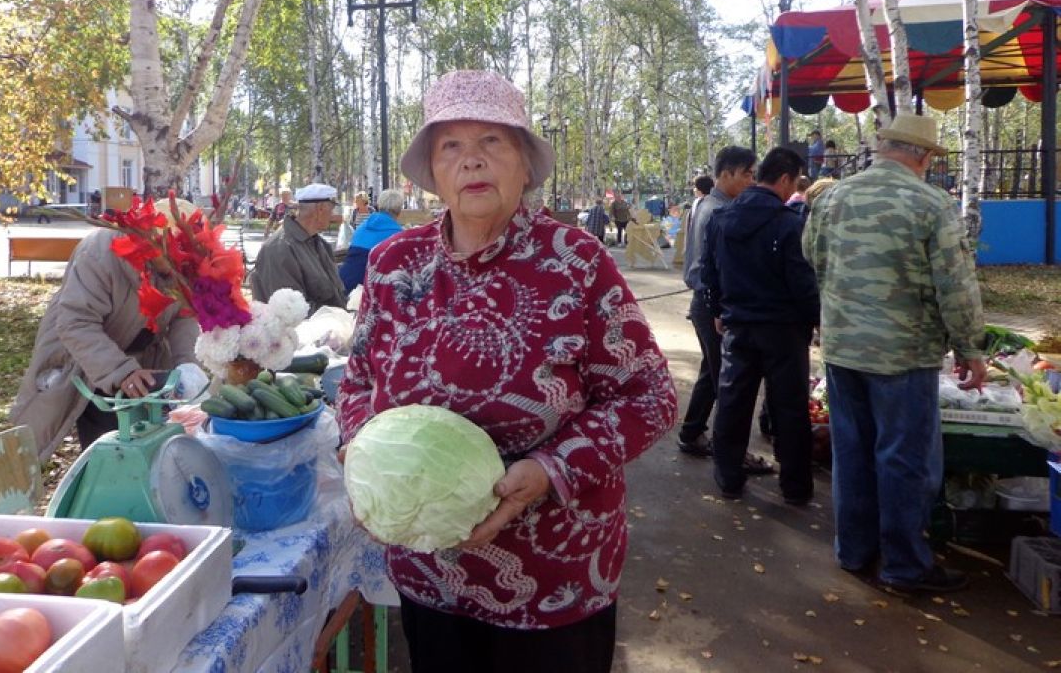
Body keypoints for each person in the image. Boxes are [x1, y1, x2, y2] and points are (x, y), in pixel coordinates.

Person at [336, 69, 678, 673]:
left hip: (555, 577)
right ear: (433, 174)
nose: (472, 162)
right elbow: (360, 379)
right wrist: (362, 445)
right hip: (431, 571)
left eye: (492, 142)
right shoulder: (393, 265)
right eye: (452, 147)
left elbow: (648, 395)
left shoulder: (576, 261)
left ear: (524, 164)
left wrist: (550, 470)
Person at [803, 113, 986, 594]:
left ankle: (854, 551)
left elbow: (813, 257)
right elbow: (957, 285)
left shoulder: (833, 197)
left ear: (882, 148)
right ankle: (904, 566)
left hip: (843, 349)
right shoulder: (931, 204)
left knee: (852, 452)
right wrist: (971, 347)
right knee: (903, 460)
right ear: (923, 156)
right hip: (904, 353)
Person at [10, 198, 200, 459]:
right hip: (86, 357)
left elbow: (184, 315)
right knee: (97, 446)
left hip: (141, 357)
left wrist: (187, 366)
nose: (179, 265)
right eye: (174, 254)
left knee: (148, 444)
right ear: (152, 238)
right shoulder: (100, 252)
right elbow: (75, 323)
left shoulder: (183, 265)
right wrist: (120, 371)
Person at [701, 148, 819, 505]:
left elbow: (709, 272)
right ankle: (795, 486)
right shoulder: (787, 223)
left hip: (738, 326)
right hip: (783, 330)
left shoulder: (721, 219)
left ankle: (728, 477)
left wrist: (719, 309)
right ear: (784, 179)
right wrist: (816, 320)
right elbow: (801, 281)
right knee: (789, 408)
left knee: (734, 403)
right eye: (794, 182)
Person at [678, 147, 759, 460]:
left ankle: (692, 431)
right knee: (729, 382)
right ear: (726, 174)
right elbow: (720, 269)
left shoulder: (706, 204)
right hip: (714, 305)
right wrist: (722, 309)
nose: (752, 181)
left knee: (712, 373)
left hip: (706, 302)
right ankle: (733, 455)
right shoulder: (719, 211)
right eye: (748, 174)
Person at [250, 182, 346, 313]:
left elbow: (335, 293)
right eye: (331, 209)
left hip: (330, 326)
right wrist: (338, 317)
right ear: (320, 209)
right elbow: (291, 311)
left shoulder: (319, 244)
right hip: (305, 330)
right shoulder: (280, 249)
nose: (332, 216)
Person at [338, 188, 404, 293]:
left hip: (345, 283)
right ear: (400, 210)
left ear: (379, 206)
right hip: (368, 290)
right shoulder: (399, 235)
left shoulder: (362, 227)